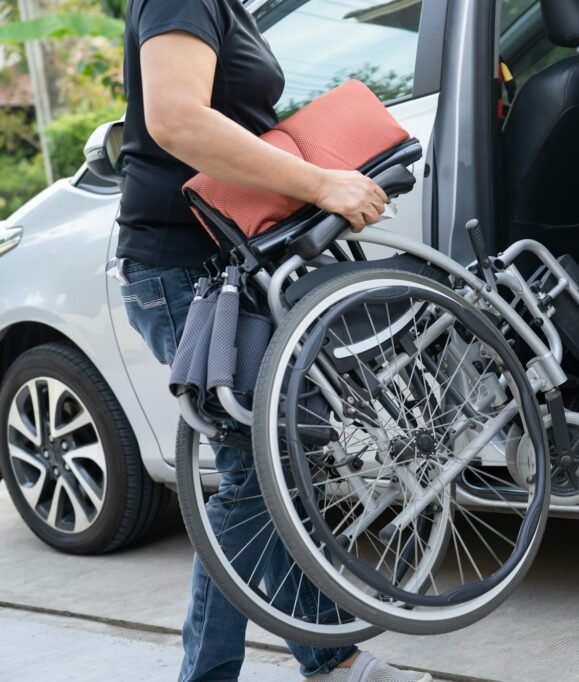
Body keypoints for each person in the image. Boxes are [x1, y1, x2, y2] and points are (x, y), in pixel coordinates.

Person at [115, 1, 430, 680]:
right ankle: (308, 665)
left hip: (233, 258)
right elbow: (176, 119)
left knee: (267, 468)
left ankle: (331, 661)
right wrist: (321, 182)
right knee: (251, 475)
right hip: (180, 267)